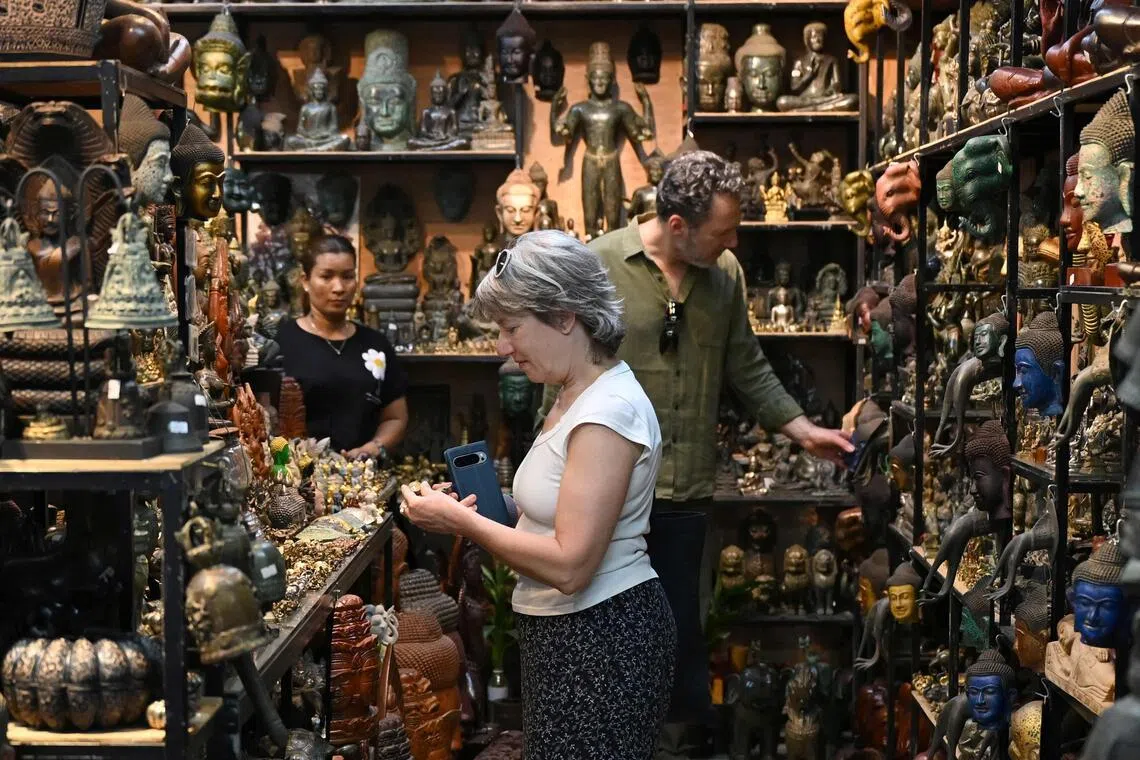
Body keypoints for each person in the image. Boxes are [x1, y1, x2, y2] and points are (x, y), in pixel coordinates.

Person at [537, 149, 854, 757]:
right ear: (678, 226)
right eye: (724, 230)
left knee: (680, 643)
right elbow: (556, 378)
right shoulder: (599, 266)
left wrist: (802, 430)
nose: (735, 240)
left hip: (687, 497)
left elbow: (747, 367)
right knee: (604, 641)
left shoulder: (725, 275)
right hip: (606, 496)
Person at [399, 230, 675, 760]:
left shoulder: (606, 412)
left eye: (511, 328)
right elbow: (552, 512)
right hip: (568, 632)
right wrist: (479, 507)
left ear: (565, 316)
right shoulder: (572, 393)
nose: (503, 347)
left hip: (604, 638)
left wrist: (466, 526)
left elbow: (572, 565)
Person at [277, 234, 409, 458]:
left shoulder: (375, 345)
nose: (338, 287)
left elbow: (395, 417)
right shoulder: (281, 344)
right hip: (298, 477)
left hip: (362, 478)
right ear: (305, 280)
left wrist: (371, 449)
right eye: (326, 276)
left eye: (347, 276)